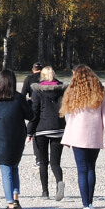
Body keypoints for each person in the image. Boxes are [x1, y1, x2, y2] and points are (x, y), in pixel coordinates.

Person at [60, 65, 105, 209]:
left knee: (82, 170)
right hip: (94, 136)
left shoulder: (73, 92)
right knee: (91, 169)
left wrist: (66, 138)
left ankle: (85, 205)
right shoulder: (100, 92)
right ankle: (90, 204)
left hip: (78, 137)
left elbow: (71, 119)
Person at [0, 69, 30, 209]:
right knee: (14, 167)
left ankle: (10, 203)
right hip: (17, 135)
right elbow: (30, 114)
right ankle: (15, 199)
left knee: (6, 170)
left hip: (1, 135)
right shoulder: (19, 98)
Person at [29, 66, 66, 200]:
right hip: (59, 127)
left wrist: (30, 131)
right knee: (55, 162)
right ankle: (59, 182)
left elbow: (35, 111)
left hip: (42, 128)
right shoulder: (62, 89)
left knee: (43, 162)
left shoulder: (38, 90)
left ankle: (45, 192)